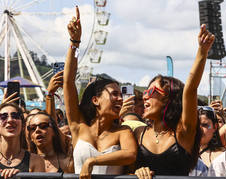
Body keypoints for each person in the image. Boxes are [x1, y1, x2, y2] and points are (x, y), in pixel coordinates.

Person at [63, 6, 137, 179]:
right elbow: (68, 82)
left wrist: (93, 161)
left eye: (121, 94)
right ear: (96, 100)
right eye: (114, 94)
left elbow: (130, 154)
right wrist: (75, 43)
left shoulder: (123, 132)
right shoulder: (78, 126)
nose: (120, 99)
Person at [134, 24, 215, 178]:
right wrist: (135, 172)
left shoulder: (184, 132)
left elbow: (190, 90)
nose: (145, 96)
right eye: (145, 92)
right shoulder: (138, 134)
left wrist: (202, 51)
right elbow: (123, 170)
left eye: (151, 92)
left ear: (168, 99)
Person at [0, 103, 45, 178]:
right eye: (3, 117)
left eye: (15, 116)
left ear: (23, 125)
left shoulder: (36, 161)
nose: (10, 120)